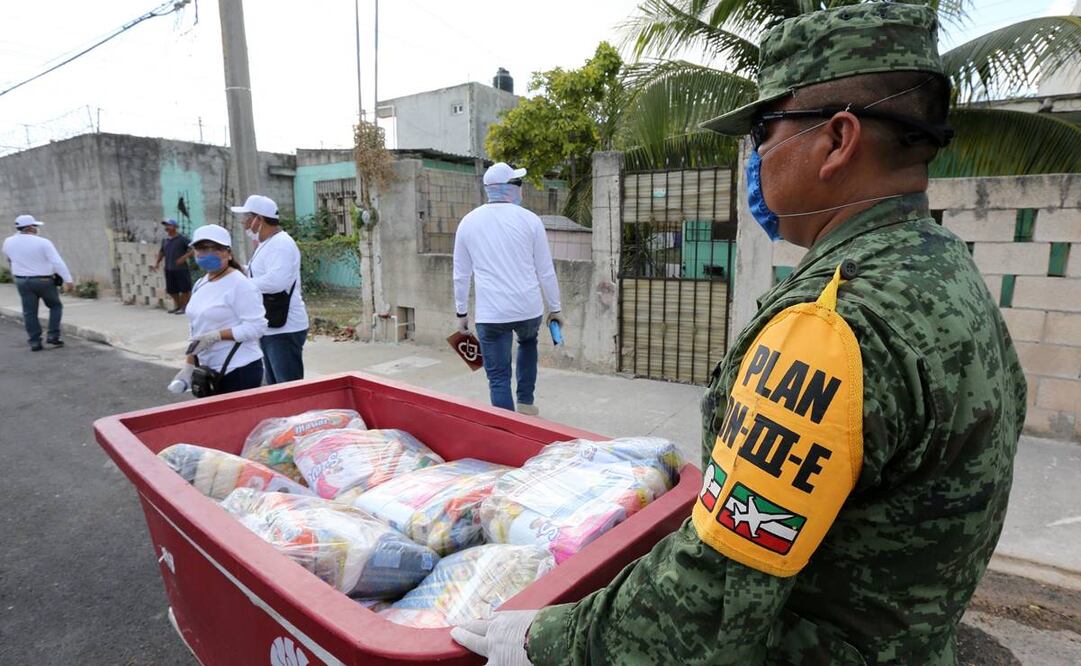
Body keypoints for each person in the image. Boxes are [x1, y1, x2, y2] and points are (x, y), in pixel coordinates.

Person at [451, 5, 1027, 665]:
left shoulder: (831, 327)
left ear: (837, 140)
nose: (754, 157)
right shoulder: (943, 267)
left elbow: (714, 590)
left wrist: (549, 640)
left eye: (763, 130)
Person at [452, 162, 563, 416]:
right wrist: (555, 308)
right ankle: (525, 402)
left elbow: (461, 275)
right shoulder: (531, 220)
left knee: (498, 377)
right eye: (518, 184)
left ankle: (508, 426)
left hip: (491, 314)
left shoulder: (468, 222)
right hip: (528, 308)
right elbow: (546, 270)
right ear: (510, 188)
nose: (521, 189)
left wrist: (462, 314)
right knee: (528, 343)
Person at [171, 224, 268, 396]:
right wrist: (189, 366)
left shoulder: (241, 285)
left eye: (215, 249)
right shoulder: (201, 283)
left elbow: (257, 327)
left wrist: (217, 336)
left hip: (238, 370)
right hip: (208, 370)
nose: (208, 254)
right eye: (202, 249)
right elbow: (197, 329)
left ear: (228, 253)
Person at [231, 194, 309, 385]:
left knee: (287, 388)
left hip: (285, 328)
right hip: (272, 325)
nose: (244, 223)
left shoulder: (281, 244)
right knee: (274, 387)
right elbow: (259, 274)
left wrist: (243, 285)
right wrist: (237, 269)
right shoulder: (267, 244)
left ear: (259, 219)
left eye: (247, 218)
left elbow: (277, 282)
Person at [2, 214, 73, 351]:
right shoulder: (43, 242)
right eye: (35, 226)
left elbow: (10, 259)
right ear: (29, 227)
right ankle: (53, 336)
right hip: (44, 280)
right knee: (55, 306)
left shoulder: (8, 242)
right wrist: (68, 280)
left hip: (22, 281)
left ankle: (34, 341)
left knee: (29, 312)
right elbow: (57, 262)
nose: (36, 228)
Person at [153, 218, 193, 314]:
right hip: (169, 268)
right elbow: (162, 252)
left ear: (175, 227)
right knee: (172, 290)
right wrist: (157, 263)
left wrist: (184, 258)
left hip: (181, 269)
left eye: (169, 225)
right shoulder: (165, 240)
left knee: (184, 289)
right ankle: (178, 306)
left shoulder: (182, 239)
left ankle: (185, 307)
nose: (167, 227)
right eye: (166, 226)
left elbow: (193, 249)